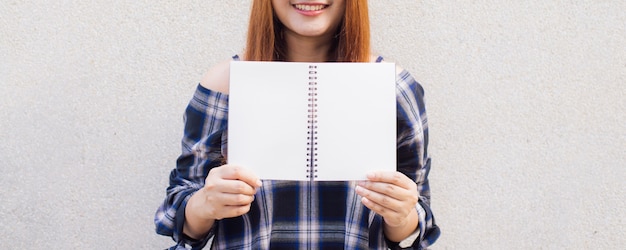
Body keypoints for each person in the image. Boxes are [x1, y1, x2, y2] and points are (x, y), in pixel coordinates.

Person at [155, 0, 440, 249]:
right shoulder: (224, 86)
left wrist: (401, 214)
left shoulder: (393, 88)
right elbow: (178, 218)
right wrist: (205, 204)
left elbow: (417, 223)